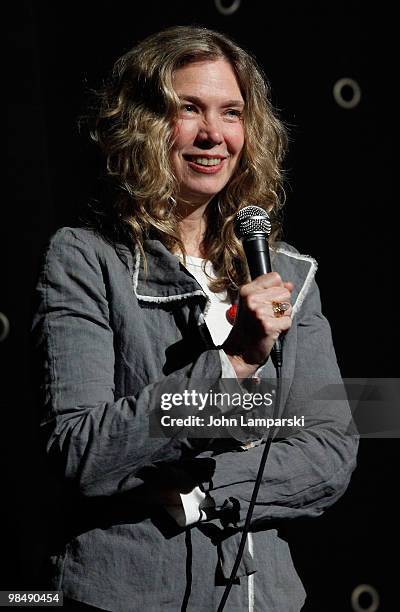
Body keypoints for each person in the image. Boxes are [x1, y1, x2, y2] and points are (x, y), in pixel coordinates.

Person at [32, 25, 358, 612]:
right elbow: (79, 450)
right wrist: (234, 364)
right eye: (189, 109)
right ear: (142, 124)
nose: (213, 134)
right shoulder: (86, 258)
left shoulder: (289, 274)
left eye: (231, 113)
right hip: (124, 593)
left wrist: (199, 494)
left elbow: (330, 451)